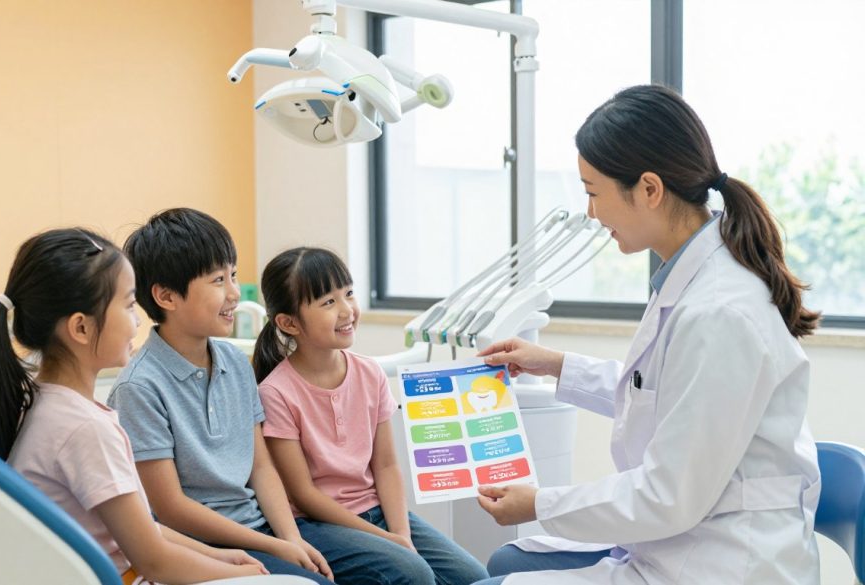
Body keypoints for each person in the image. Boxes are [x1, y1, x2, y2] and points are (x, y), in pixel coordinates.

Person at [471, 84, 822, 585]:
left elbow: (666, 496)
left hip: (722, 561)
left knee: (496, 578)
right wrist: (556, 365)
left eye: (594, 193)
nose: (591, 213)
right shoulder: (693, 277)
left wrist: (539, 503)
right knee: (509, 563)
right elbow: (666, 395)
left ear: (650, 189)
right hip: (685, 533)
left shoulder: (720, 312)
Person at [0, 228, 267, 584]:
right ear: (82, 328)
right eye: (129, 305)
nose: (137, 321)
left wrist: (220, 555)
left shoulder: (45, 405)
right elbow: (155, 562)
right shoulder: (85, 430)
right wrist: (244, 573)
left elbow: (141, 530)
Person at [106, 209, 333, 584]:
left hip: (264, 528)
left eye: (232, 274)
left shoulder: (233, 360)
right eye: (217, 280)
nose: (233, 292)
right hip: (203, 546)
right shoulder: (139, 388)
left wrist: (290, 538)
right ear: (165, 296)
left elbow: (261, 468)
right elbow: (172, 509)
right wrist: (278, 548)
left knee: (401, 571)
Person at [254, 247, 489, 585]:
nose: (347, 310)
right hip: (319, 524)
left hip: (376, 510)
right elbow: (304, 494)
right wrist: (389, 542)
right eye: (328, 302)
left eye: (348, 293)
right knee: (415, 575)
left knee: (472, 577)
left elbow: (386, 466)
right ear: (289, 322)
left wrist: (400, 533)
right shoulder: (276, 393)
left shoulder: (370, 373)